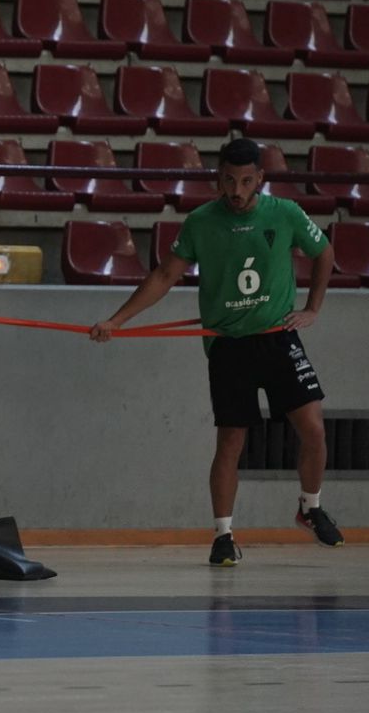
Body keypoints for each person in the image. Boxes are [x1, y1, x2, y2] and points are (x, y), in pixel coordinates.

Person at [89, 138, 345, 567]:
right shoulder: (201, 222)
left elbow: (324, 253)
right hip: (228, 346)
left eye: (246, 182)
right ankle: (223, 535)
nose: (237, 191)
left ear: (260, 179)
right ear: (217, 179)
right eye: (229, 181)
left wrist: (313, 308)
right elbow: (165, 274)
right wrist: (117, 320)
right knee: (231, 441)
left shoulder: (284, 213)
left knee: (314, 428)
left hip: (278, 336)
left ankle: (310, 507)